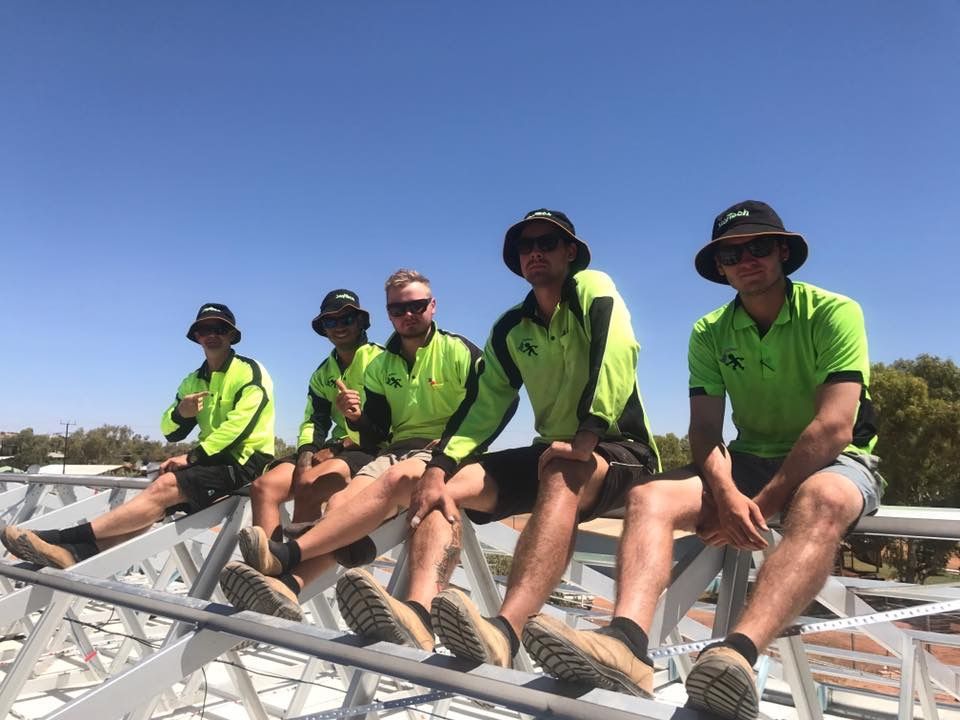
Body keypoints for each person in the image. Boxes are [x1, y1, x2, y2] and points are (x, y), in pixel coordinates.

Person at [520, 201, 883, 718]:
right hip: (749, 459)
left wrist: (757, 505)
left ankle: (736, 656)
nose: (746, 260)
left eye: (759, 247)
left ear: (783, 252)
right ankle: (626, 645)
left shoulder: (833, 311)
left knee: (823, 499)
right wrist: (727, 493)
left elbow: (834, 426)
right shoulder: (709, 330)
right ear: (720, 267)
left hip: (835, 460)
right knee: (649, 496)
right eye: (731, 254)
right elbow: (706, 431)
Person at [333, 208, 658, 667]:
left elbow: (617, 351)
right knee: (444, 486)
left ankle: (506, 631)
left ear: (571, 251)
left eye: (547, 242)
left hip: (620, 446)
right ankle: (418, 614)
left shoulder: (592, 287)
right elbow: (487, 403)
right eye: (526, 246)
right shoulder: (510, 326)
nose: (535, 252)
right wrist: (441, 464)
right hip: (553, 450)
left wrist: (590, 431)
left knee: (562, 472)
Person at [218, 269, 491, 632]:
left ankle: (291, 557)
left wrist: (452, 448)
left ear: (433, 306)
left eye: (417, 305)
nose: (408, 314)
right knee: (339, 506)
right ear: (388, 314)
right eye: (398, 309)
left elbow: (492, 404)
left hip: (441, 452)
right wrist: (354, 420)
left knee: (387, 480)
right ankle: (285, 586)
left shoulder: (458, 351)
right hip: (393, 451)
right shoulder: (379, 365)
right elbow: (372, 429)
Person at [2, 303, 276, 568]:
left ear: (231, 335)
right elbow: (169, 431)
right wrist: (182, 413)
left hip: (247, 462)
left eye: (220, 329)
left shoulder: (249, 371)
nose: (212, 335)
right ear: (196, 336)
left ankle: (58, 538)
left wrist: (192, 457)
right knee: (153, 505)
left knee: (164, 487)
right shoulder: (193, 380)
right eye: (205, 330)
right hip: (212, 462)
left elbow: (241, 425)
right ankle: (74, 554)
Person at [245, 289, 382, 542]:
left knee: (310, 483)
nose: (339, 326)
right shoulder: (322, 373)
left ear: (361, 322)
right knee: (262, 487)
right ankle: (267, 562)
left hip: (372, 447)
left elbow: (391, 425)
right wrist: (307, 453)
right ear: (324, 329)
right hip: (335, 447)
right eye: (330, 321)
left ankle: (293, 562)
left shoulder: (384, 361)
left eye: (347, 319)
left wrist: (340, 446)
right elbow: (315, 420)